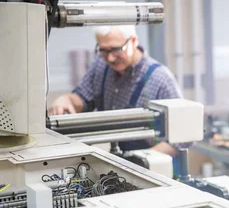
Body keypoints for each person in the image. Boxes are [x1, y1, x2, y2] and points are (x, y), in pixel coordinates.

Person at [48, 25, 184, 157]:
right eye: (104, 50)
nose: (110, 58)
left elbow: (180, 138)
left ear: (133, 41)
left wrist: (141, 160)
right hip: (113, 157)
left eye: (116, 50)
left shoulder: (161, 79)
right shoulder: (101, 65)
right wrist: (67, 100)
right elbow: (83, 97)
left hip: (150, 167)